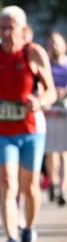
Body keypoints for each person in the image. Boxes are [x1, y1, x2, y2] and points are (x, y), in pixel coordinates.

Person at [0, 6, 56, 242]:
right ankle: (11, 239)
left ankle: (28, 231)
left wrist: (40, 101)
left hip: (31, 129)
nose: (5, 32)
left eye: (10, 27)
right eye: (2, 27)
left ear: (24, 30)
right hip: (3, 131)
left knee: (30, 186)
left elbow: (51, 92)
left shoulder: (33, 52)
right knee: (7, 183)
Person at [44, 31, 67, 205]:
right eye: (51, 43)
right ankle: (53, 182)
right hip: (49, 112)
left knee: (64, 152)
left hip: (65, 112)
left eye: (57, 43)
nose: (54, 46)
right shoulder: (45, 65)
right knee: (51, 152)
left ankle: (63, 188)